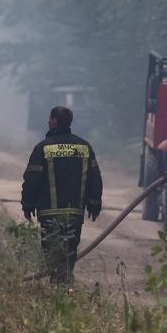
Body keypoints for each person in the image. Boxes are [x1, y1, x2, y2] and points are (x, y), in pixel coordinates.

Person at [21, 106, 103, 284]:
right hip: (74, 214)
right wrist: (94, 204)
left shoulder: (43, 148)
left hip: (49, 215)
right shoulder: (84, 147)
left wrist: (27, 205)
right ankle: (64, 287)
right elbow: (94, 177)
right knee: (69, 252)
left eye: (50, 118)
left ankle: (59, 288)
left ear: (55, 121)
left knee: (52, 253)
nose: (47, 121)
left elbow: (32, 179)